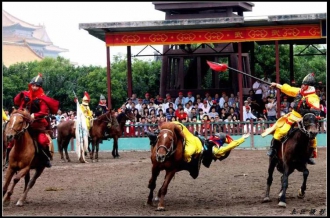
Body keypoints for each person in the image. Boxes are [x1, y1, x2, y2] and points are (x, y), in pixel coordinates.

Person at [263, 73, 321, 165]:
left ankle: (309, 155)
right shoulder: (300, 91)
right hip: (293, 116)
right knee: (281, 131)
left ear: (309, 86)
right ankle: (273, 149)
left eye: (304, 84)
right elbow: (289, 89)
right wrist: (276, 85)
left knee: (312, 138)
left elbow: (316, 111)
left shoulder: (313, 98)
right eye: (302, 84)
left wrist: (304, 119)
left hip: (305, 120)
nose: (302, 85)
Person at [8, 73, 59, 168]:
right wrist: (20, 96)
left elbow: (44, 111)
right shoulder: (26, 95)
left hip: (37, 124)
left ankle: (45, 159)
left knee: (42, 140)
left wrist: (34, 115)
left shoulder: (42, 98)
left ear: (40, 87)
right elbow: (18, 103)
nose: (34, 87)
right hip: (24, 122)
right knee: (12, 139)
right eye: (33, 85)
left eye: (36, 86)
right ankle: (8, 159)